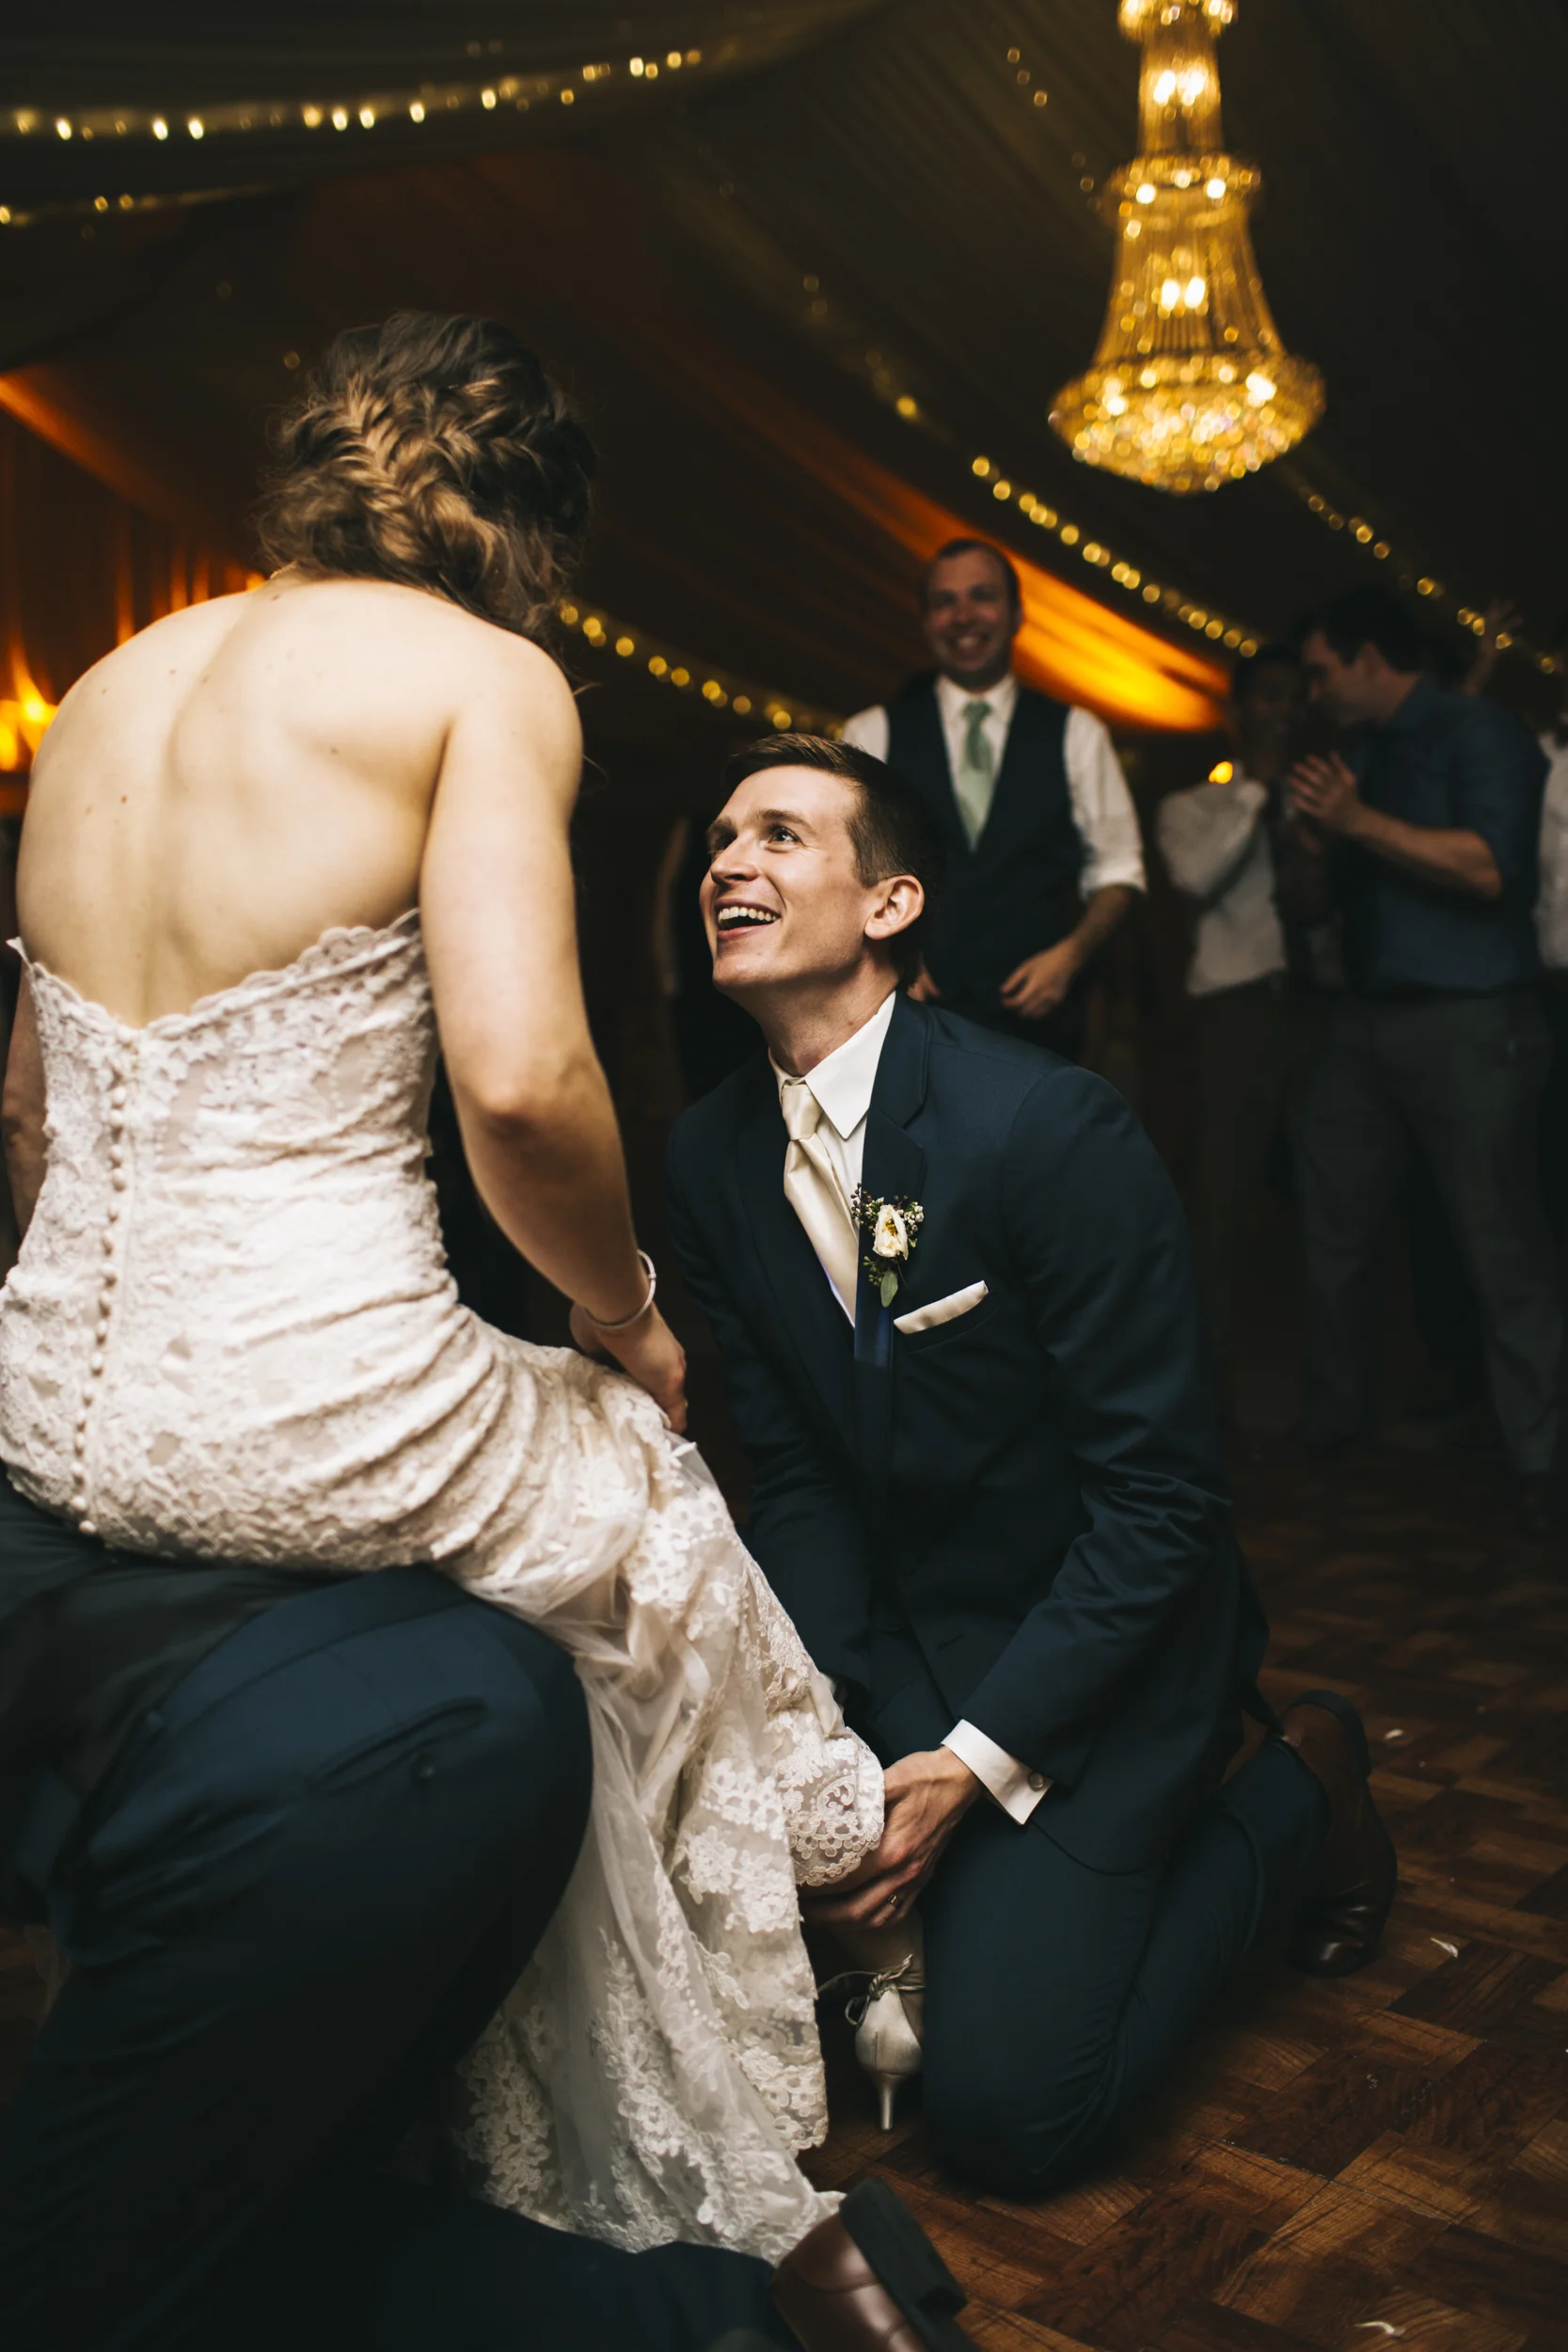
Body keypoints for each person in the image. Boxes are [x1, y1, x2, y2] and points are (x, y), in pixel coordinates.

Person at [0, 313, 975, 2352]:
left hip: (45, 1406)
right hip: (313, 1410)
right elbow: (523, 1087)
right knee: (642, 1485)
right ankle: (844, 1909)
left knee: (558, 1571)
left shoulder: (99, 692)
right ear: (524, 524)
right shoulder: (480, 677)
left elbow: (23, 1115)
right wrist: (626, 1317)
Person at [665, 730, 1396, 2200]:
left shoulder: (1041, 1126)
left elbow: (1161, 1506)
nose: (727, 860)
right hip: (906, 1645)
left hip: (1103, 1663)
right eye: (721, 838)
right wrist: (839, 1736)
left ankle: (1303, 1790)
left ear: (889, 904)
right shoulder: (706, 1158)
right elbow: (796, 1480)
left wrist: (976, 1762)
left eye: (779, 835)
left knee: (1008, 2115)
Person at [1289, 587, 1561, 1530]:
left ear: (1369, 657)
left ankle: (1541, 1456)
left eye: (1321, 672)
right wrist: (1313, 847)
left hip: (1472, 1020)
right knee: (1333, 1225)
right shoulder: (1355, 754)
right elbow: (1314, 905)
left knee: (1500, 1238)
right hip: (1363, 1021)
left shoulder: (1478, 732)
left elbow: (1490, 868)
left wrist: (1358, 822)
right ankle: (1334, 1426)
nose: (1314, 693)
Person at [839, 539, 1144, 1058]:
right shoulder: (872, 732)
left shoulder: (1076, 732)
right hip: (910, 1022)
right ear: (926, 622)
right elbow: (842, 868)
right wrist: (886, 959)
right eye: (944, 602)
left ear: (1017, 614)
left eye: (981, 596)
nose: (963, 616)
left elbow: (1119, 870)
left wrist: (1071, 957)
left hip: (1039, 1024)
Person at [1156, 644, 1327, 1403]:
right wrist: (1255, 789)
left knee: (1332, 1198)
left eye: (1295, 697)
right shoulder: (1190, 806)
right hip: (1236, 1010)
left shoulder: (1325, 796)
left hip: (1322, 1008)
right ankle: (1205, 1378)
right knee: (1223, 1199)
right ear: (1237, 711)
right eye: (1269, 696)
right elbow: (1197, 878)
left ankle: (1330, 1385)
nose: (1283, 711)